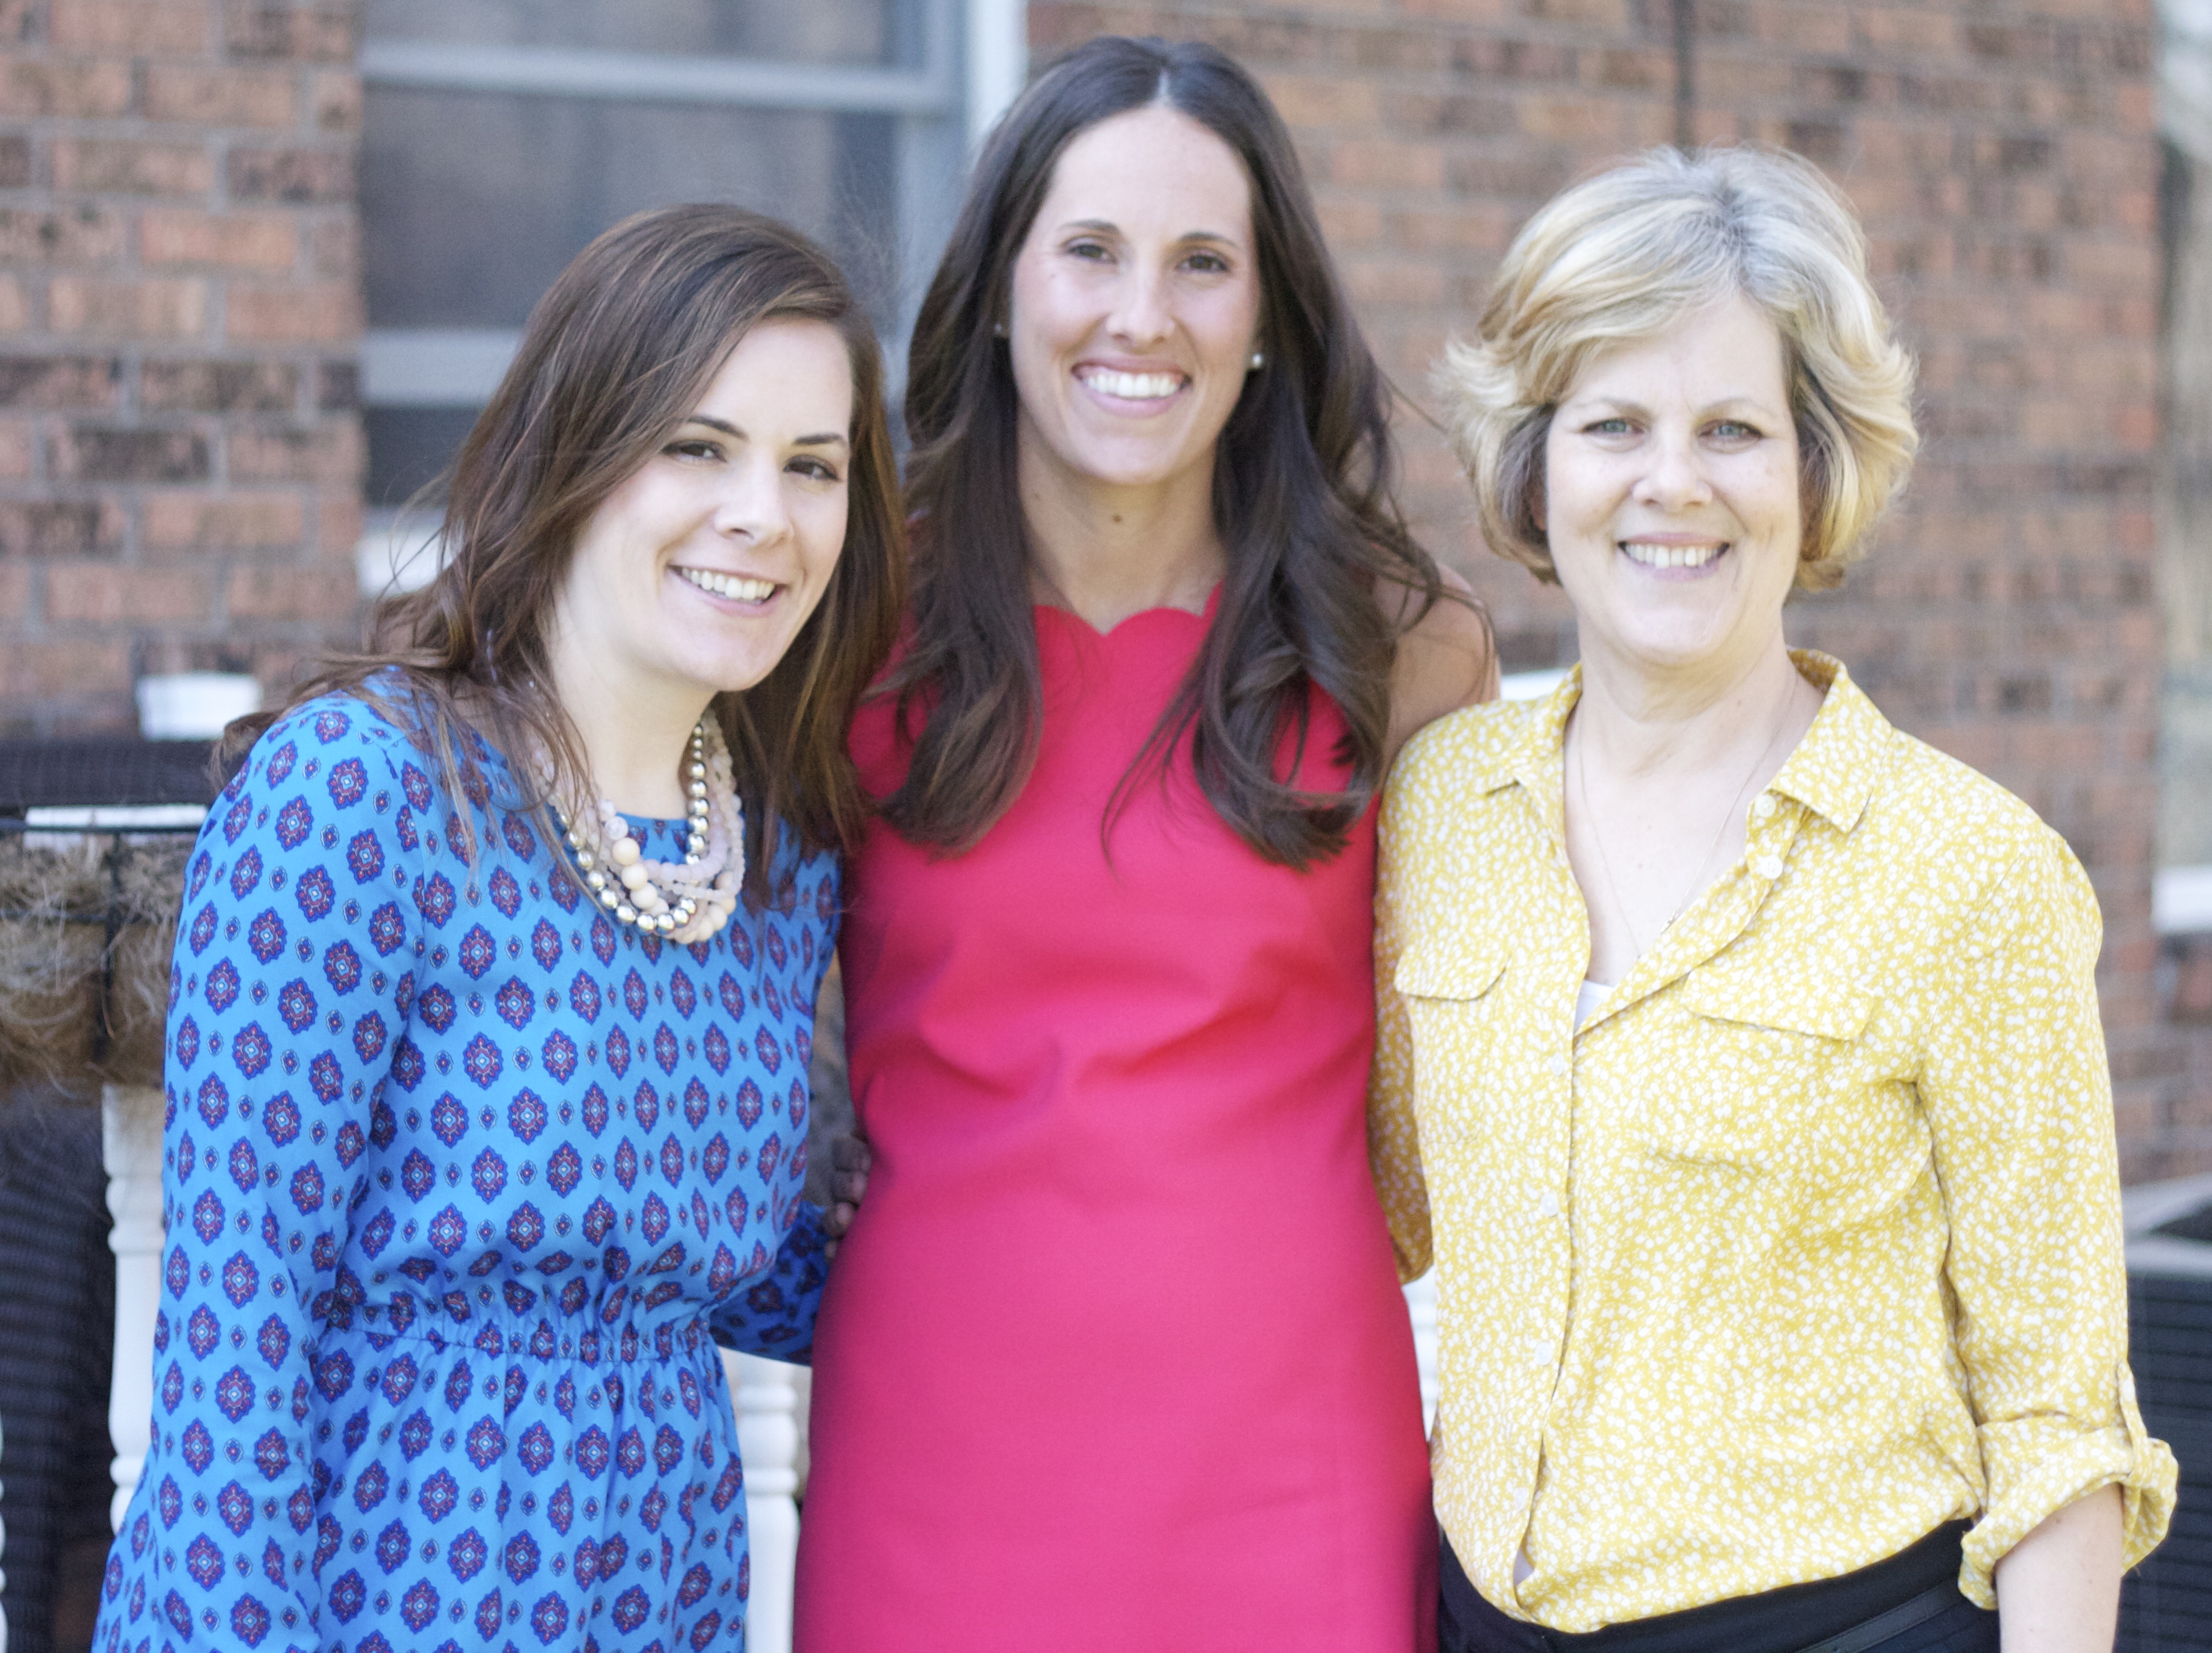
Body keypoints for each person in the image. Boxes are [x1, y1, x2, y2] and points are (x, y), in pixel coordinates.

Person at [1375, 145, 2178, 1653]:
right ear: (1537, 466)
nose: (1670, 482)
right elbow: (1369, 1209)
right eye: (1613, 423)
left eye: (1732, 430)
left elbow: (2059, 1423)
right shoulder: (1437, 810)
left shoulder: (1967, 872)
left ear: (1813, 474)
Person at [93, 204, 902, 1653]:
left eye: (812, 465)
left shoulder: (776, 855)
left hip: (664, 1595)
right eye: (697, 447)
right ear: (580, 447)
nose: (762, 516)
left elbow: (719, 1267)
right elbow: (233, 1340)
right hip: (366, 1597)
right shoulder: (362, 793)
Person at [793, 34, 1495, 1652]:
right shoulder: (844, 620)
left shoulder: (1401, 644)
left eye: (1201, 264)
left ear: (1265, 317)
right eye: (1090, 251)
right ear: (997, 287)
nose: (1141, 315)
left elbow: (1486, 1056)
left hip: (1293, 1458)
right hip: (933, 1446)